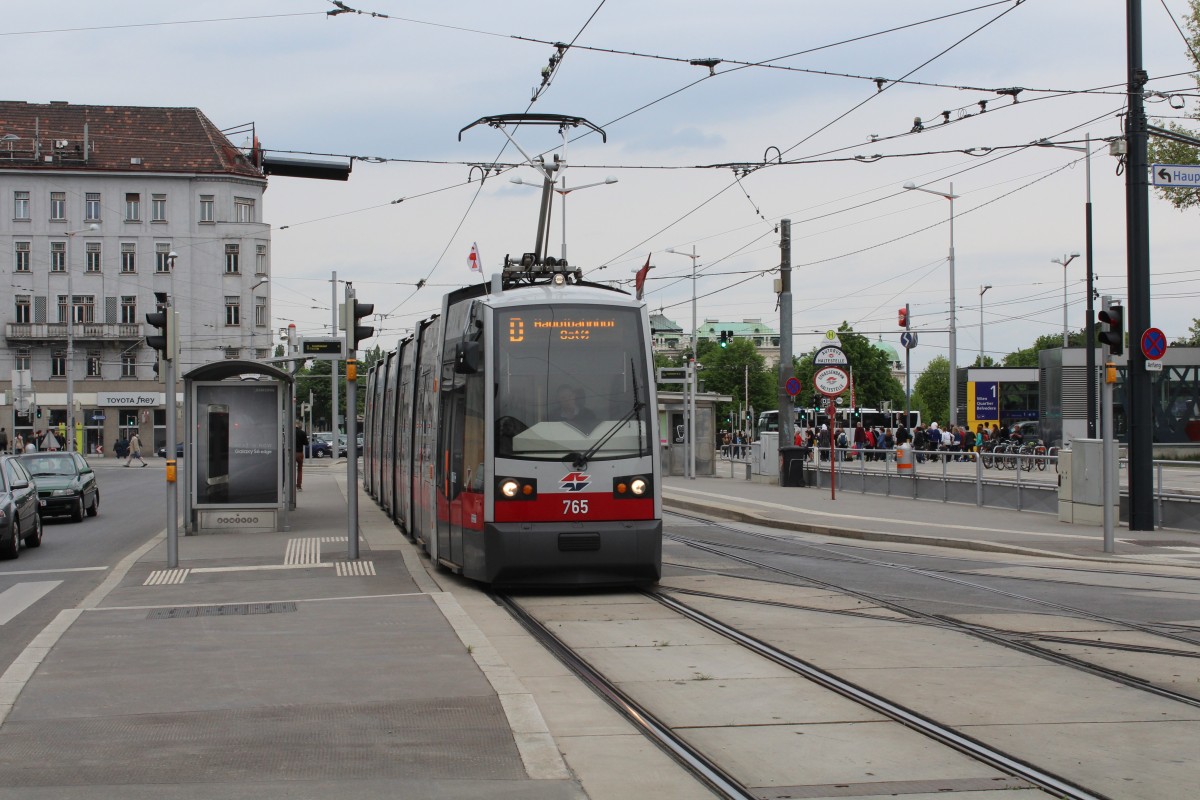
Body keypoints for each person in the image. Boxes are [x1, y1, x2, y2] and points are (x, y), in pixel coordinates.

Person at [295, 424, 309, 491]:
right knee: (299, 470)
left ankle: (289, 485)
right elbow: (306, 443)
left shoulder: (290, 432)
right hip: (300, 453)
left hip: (291, 453)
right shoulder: (302, 433)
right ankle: (299, 486)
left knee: (289, 470)